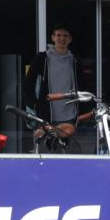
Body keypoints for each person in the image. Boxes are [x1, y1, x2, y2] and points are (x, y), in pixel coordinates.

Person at [24, 24, 86, 153]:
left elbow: (82, 87)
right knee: (44, 153)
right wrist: (34, 105)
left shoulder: (75, 62)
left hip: (69, 114)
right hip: (46, 113)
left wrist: (81, 110)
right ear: (53, 37)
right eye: (58, 35)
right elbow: (28, 84)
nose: (61, 38)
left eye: (65, 36)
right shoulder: (41, 59)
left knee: (68, 153)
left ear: (70, 39)